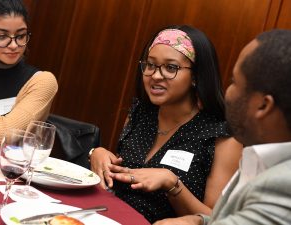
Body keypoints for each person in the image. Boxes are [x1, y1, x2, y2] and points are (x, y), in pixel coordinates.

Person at [90, 25, 242, 223]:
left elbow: (215, 219)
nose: (155, 75)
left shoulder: (221, 136)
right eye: (150, 65)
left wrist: (172, 183)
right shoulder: (140, 113)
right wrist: (98, 154)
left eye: (171, 68)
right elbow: (120, 175)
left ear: (196, 76)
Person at [153, 29, 291, 225]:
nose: (227, 93)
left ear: (263, 105)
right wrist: (200, 221)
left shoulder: (283, 186)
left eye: (235, 82)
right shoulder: (260, 158)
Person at [0, 0, 58, 145]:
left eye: (20, 36)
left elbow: (5, 133)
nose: (14, 45)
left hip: (5, 166)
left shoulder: (42, 81)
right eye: (2, 36)